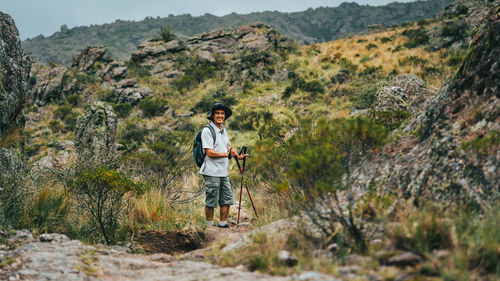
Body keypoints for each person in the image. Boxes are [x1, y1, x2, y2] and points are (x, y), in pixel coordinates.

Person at [200, 102, 247, 228]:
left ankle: (222, 224)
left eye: (222, 113)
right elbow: (209, 152)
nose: (220, 115)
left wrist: (237, 155)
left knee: (226, 198)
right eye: (217, 113)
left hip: (223, 172)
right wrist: (228, 155)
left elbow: (227, 147)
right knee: (211, 200)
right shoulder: (207, 131)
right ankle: (209, 226)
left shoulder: (223, 129)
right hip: (211, 172)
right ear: (213, 115)